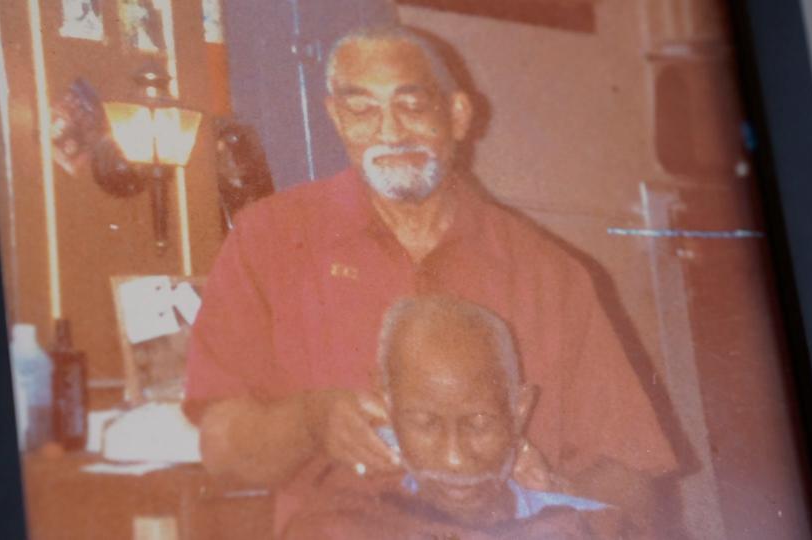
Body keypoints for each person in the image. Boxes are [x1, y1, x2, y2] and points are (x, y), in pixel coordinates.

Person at [183, 24, 676, 533]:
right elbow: (220, 446)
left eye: (412, 106)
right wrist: (308, 421)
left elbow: (631, 473)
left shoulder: (549, 275)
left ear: (458, 115)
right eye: (362, 109)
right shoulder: (268, 241)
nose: (390, 133)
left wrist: (560, 497)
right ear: (334, 116)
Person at [284, 296, 615, 539]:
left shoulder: (585, 530)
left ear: (519, 411)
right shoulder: (338, 530)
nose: (454, 458)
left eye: (479, 422)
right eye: (425, 423)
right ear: (389, 409)